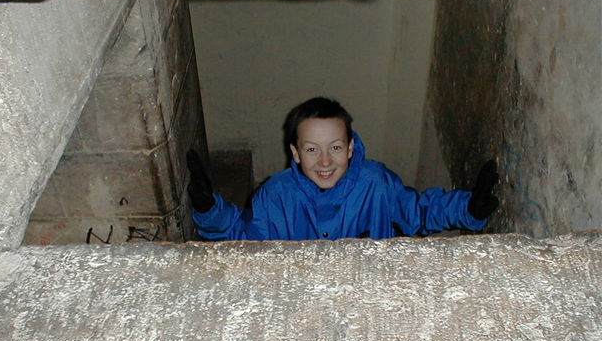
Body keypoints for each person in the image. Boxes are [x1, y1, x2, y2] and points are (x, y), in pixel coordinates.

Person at [187, 97, 498, 241]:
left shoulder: (376, 184)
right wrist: (209, 210)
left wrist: (469, 208)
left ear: (350, 148)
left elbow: (419, 212)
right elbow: (244, 240)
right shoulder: (275, 196)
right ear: (295, 153)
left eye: (335, 148)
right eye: (312, 149)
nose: (325, 161)